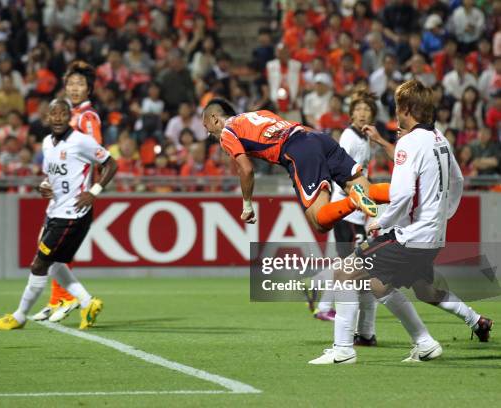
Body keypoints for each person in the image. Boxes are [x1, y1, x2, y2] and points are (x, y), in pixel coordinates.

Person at [309, 80, 493, 365]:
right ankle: (426, 343)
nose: (395, 113)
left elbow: (404, 193)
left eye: (397, 107)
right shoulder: (440, 140)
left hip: (409, 235)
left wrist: (382, 222)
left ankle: (343, 349)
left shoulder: (408, 142)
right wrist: (442, 214)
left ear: (406, 109)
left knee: (345, 273)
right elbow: (456, 180)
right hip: (432, 234)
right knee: (397, 288)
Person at [0, 99, 117, 330]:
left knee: (39, 264)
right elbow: (53, 176)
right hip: (54, 211)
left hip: (72, 215)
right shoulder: (47, 142)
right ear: (47, 118)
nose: (58, 117)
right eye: (53, 113)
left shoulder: (81, 141)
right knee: (56, 263)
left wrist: (94, 191)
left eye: (62, 113)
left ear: (69, 117)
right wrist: (44, 186)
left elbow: (111, 163)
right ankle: (88, 302)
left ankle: (19, 317)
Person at [202, 98, 392, 233]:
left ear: (215, 119)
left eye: (207, 128)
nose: (208, 134)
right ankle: (410, 188)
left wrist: (247, 205)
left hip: (298, 149)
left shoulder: (227, 132)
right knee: (370, 191)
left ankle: (353, 200)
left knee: (320, 222)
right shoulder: (258, 114)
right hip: (317, 138)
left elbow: (246, 169)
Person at [33, 61, 104, 323]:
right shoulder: (68, 115)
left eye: (80, 84)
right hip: (62, 191)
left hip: (77, 193)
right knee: (51, 249)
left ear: (89, 90)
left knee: (53, 249)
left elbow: (96, 152)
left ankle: (67, 298)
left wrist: (92, 188)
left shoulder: (87, 117)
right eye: (71, 84)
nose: (74, 88)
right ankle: (57, 300)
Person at [313, 91, 384, 346]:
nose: (363, 113)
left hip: (354, 213)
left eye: (368, 109)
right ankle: (357, 330)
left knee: (351, 267)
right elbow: (340, 175)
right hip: (347, 212)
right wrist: (364, 197)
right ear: (351, 113)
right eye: (359, 109)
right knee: (355, 269)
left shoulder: (364, 138)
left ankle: (320, 295)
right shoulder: (349, 138)